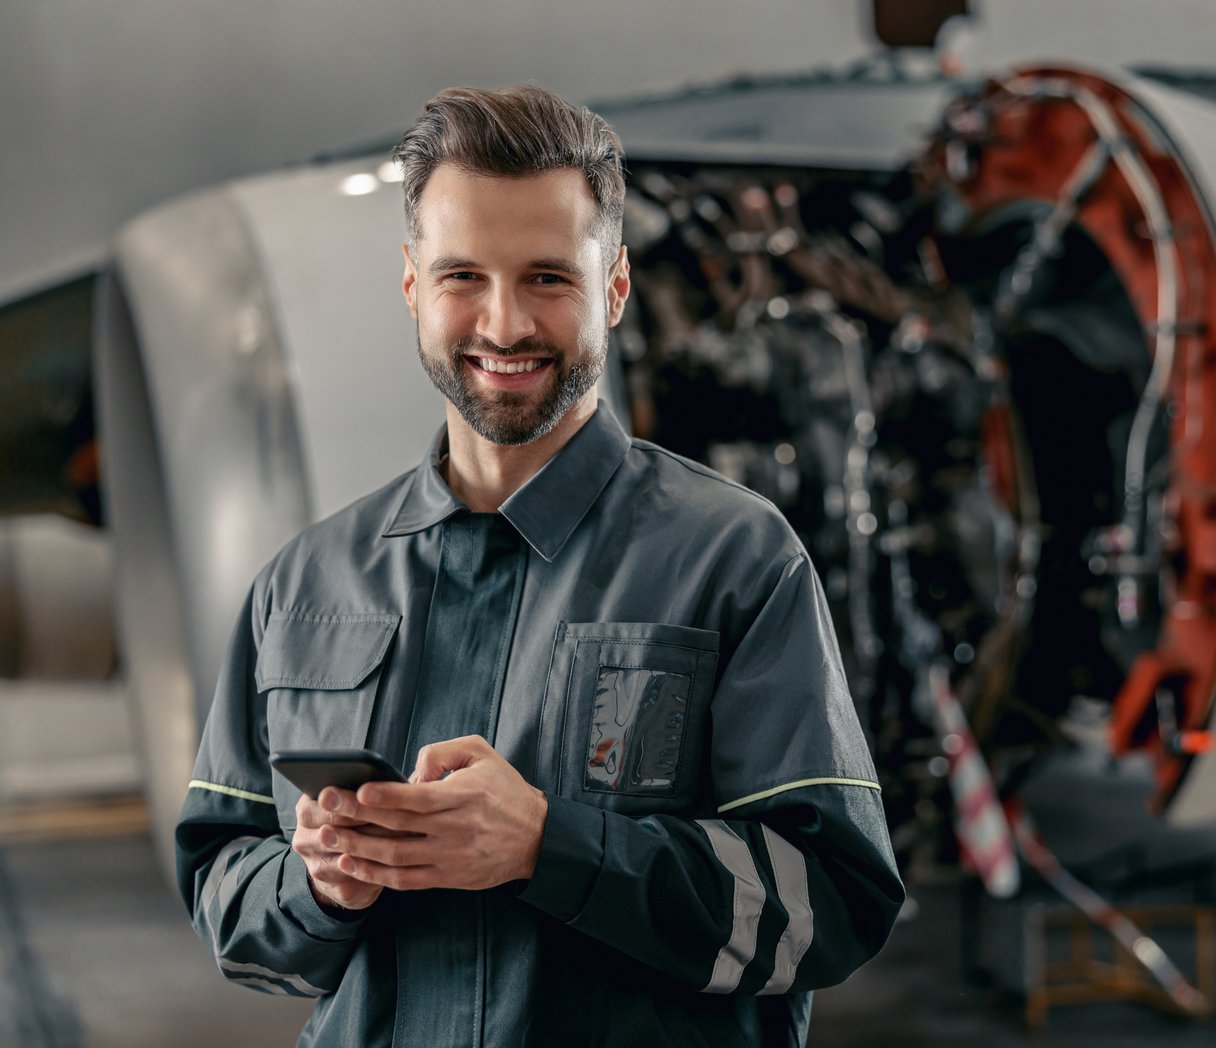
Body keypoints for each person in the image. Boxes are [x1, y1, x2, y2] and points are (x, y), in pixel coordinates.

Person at [175, 83, 904, 1047]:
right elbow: (230, 910)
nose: (505, 324)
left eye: (549, 279)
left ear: (615, 287)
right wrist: (317, 885)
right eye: (462, 276)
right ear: (411, 285)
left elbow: (829, 912)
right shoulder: (305, 585)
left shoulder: (735, 558)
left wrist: (548, 848)